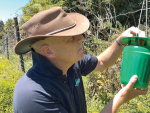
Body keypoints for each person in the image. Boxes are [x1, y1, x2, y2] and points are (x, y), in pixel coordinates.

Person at [13, 7, 147, 113]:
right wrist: (120, 99)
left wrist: (120, 41)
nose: (81, 38)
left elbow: (101, 62)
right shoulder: (34, 96)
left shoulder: (71, 64)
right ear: (48, 51)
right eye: (70, 37)